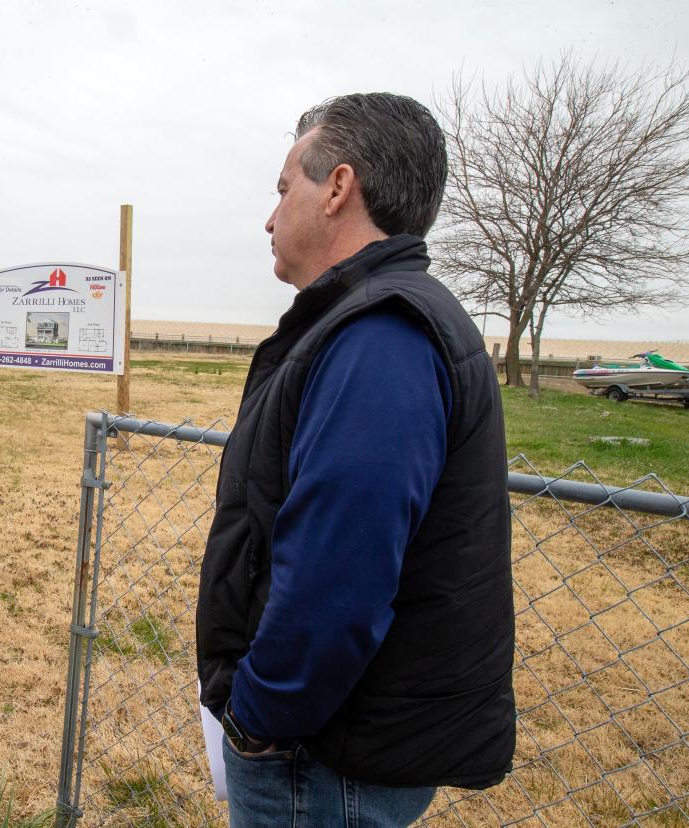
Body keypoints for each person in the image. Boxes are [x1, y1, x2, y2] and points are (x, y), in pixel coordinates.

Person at [196, 93, 515, 827]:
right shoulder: (372, 320)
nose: (271, 218)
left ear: (338, 188)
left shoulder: (380, 338)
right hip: (333, 746)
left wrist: (259, 716)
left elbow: (339, 577)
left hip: (324, 760)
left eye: (284, 190)